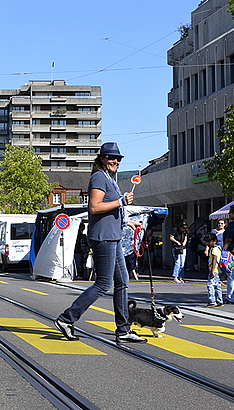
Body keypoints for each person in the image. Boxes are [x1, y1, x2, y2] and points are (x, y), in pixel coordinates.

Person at [54, 142, 147, 344]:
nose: (116, 161)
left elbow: (110, 209)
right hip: (103, 238)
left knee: (122, 282)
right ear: (102, 159)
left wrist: (126, 221)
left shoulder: (109, 178)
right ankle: (66, 319)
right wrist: (121, 202)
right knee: (104, 283)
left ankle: (123, 329)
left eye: (118, 159)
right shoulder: (99, 177)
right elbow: (95, 207)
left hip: (112, 236)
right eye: (112, 158)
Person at [203, 232, 224, 308]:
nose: (208, 243)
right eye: (207, 242)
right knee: (217, 286)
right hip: (218, 270)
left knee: (210, 285)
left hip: (214, 270)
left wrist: (212, 271)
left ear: (215, 241)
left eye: (209, 241)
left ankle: (212, 301)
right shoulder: (219, 248)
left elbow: (214, 259)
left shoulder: (214, 249)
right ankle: (220, 300)